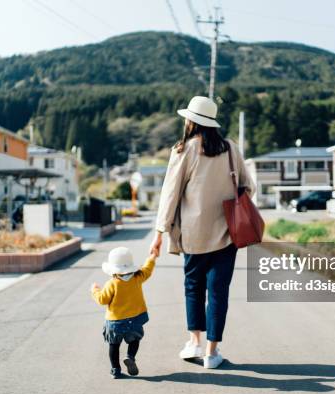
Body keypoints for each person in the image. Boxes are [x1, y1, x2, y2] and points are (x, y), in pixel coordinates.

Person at [150, 95, 255, 369]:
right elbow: (248, 186)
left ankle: (194, 342)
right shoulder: (231, 148)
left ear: (191, 121)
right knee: (218, 292)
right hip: (228, 233)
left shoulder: (184, 149)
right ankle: (212, 352)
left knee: (193, 289)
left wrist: (160, 231)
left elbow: (170, 194)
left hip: (194, 235)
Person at [92, 247, 156, 379]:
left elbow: (102, 300)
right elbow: (147, 270)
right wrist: (151, 258)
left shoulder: (112, 283)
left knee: (114, 345)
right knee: (135, 340)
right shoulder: (137, 277)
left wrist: (95, 290)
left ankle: (115, 370)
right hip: (135, 319)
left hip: (116, 322)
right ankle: (130, 356)